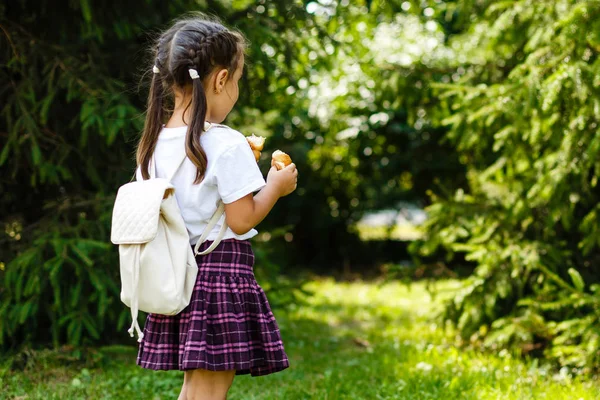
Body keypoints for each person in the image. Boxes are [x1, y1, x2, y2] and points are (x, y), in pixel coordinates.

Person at [134, 14, 297, 400]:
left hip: (177, 271)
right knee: (210, 388)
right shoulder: (226, 142)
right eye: (237, 81)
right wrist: (275, 186)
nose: (236, 90)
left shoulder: (153, 144)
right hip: (218, 278)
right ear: (221, 79)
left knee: (197, 385)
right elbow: (241, 220)